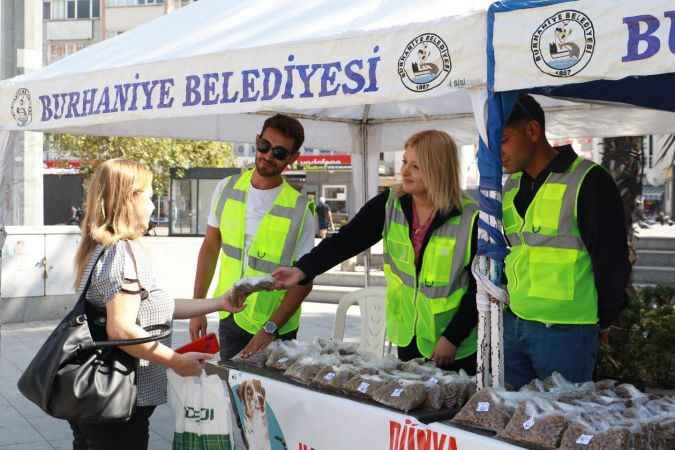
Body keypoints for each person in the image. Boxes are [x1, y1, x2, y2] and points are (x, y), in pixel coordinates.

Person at [69, 159, 246, 450]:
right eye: (149, 195)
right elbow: (122, 329)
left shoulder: (102, 247)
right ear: (129, 199)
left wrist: (219, 303)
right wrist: (176, 362)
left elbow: (153, 307)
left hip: (99, 398)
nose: (153, 205)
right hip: (119, 402)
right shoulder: (122, 253)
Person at [274, 130, 480, 373]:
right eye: (405, 162)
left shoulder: (471, 216)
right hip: (408, 339)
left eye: (416, 166)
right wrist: (302, 270)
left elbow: (479, 288)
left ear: (438, 168)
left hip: (455, 347)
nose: (404, 171)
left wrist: (453, 337)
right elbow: (346, 240)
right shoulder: (390, 202)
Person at [500, 94, 630, 389]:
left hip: (567, 332)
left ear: (532, 131)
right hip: (516, 323)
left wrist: (604, 319)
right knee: (512, 424)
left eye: (504, 139)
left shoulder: (588, 180)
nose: (497, 151)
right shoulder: (511, 186)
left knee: (562, 422)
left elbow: (612, 260)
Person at [190, 114, 316, 360]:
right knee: (232, 395)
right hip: (231, 314)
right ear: (257, 141)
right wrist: (198, 307)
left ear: (293, 158)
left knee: (271, 398)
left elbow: (305, 280)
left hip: (275, 326)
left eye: (279, 152)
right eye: (264, 146)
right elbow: (210, 248)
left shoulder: (301, 210)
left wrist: (270, 329)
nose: (268, 155)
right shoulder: (227, 188)